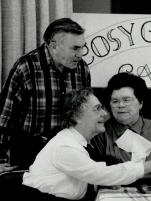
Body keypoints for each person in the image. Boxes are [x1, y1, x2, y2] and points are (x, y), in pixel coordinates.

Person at [7, 88, 151, 201]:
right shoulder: (65, 146)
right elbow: (99, 173)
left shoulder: (76, 142)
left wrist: (99, 183)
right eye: (97, 109)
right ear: (76, 116)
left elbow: (83, 176)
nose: (105, 114)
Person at [0, 18, 91, 172]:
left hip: (69, 151)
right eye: (75, 48)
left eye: (82, 48)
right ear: (53, 45)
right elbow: (5, 117)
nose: (80, 54)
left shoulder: (82, 69)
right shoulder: (26, 67)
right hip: (30, 152)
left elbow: (85, 113)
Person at [90, 72, 151, 186]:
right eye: (115, 101)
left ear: (140, 103)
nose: (121, 105)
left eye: (126, 100)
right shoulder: (100, 134)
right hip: (116, 197)